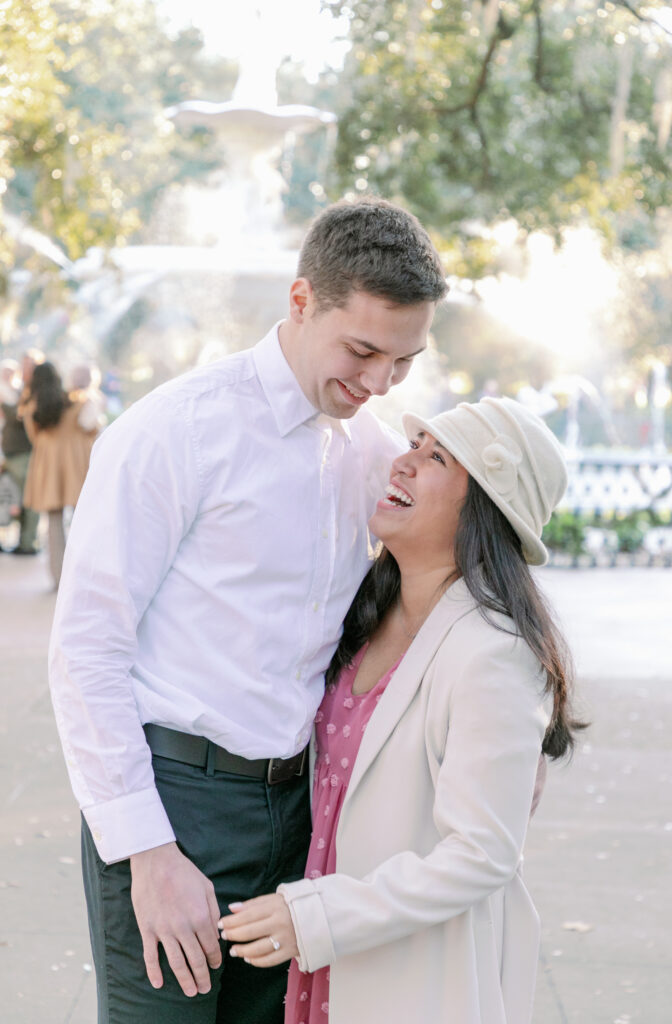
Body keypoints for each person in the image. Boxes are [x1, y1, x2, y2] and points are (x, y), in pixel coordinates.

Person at [48, 197, 448, 1024]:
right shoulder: (173, 431)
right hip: (172, 803)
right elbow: (86, 649)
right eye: (362, 349)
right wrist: (148, 851)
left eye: (402, 362)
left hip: (302, 818)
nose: (376, 382)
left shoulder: (374, 456)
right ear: (301, 302)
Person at [219, 396, 585, 1024]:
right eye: (412, 446)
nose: (404, 463)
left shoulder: (493, 652)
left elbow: (482, 854)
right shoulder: (362, 610)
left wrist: (316, 914)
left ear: (487, 509)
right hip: (328, 957)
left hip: (412, 969)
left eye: (436, 456)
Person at [19, 361, 99, 587]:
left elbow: (33, 436)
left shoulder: (33, 407)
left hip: (48, 466)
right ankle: (84, 575)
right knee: (82, 519)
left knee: (53, 522)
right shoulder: (74, 400)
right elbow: (90, 428)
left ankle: (58, 578)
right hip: (77, 465)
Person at [0, 351, 42, 554]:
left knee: (28, 497)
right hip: (8, 451)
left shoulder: (32, 391)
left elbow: (19, 419)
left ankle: (27, 542)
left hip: (23, 452)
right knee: (8, 496)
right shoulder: (17, 392)